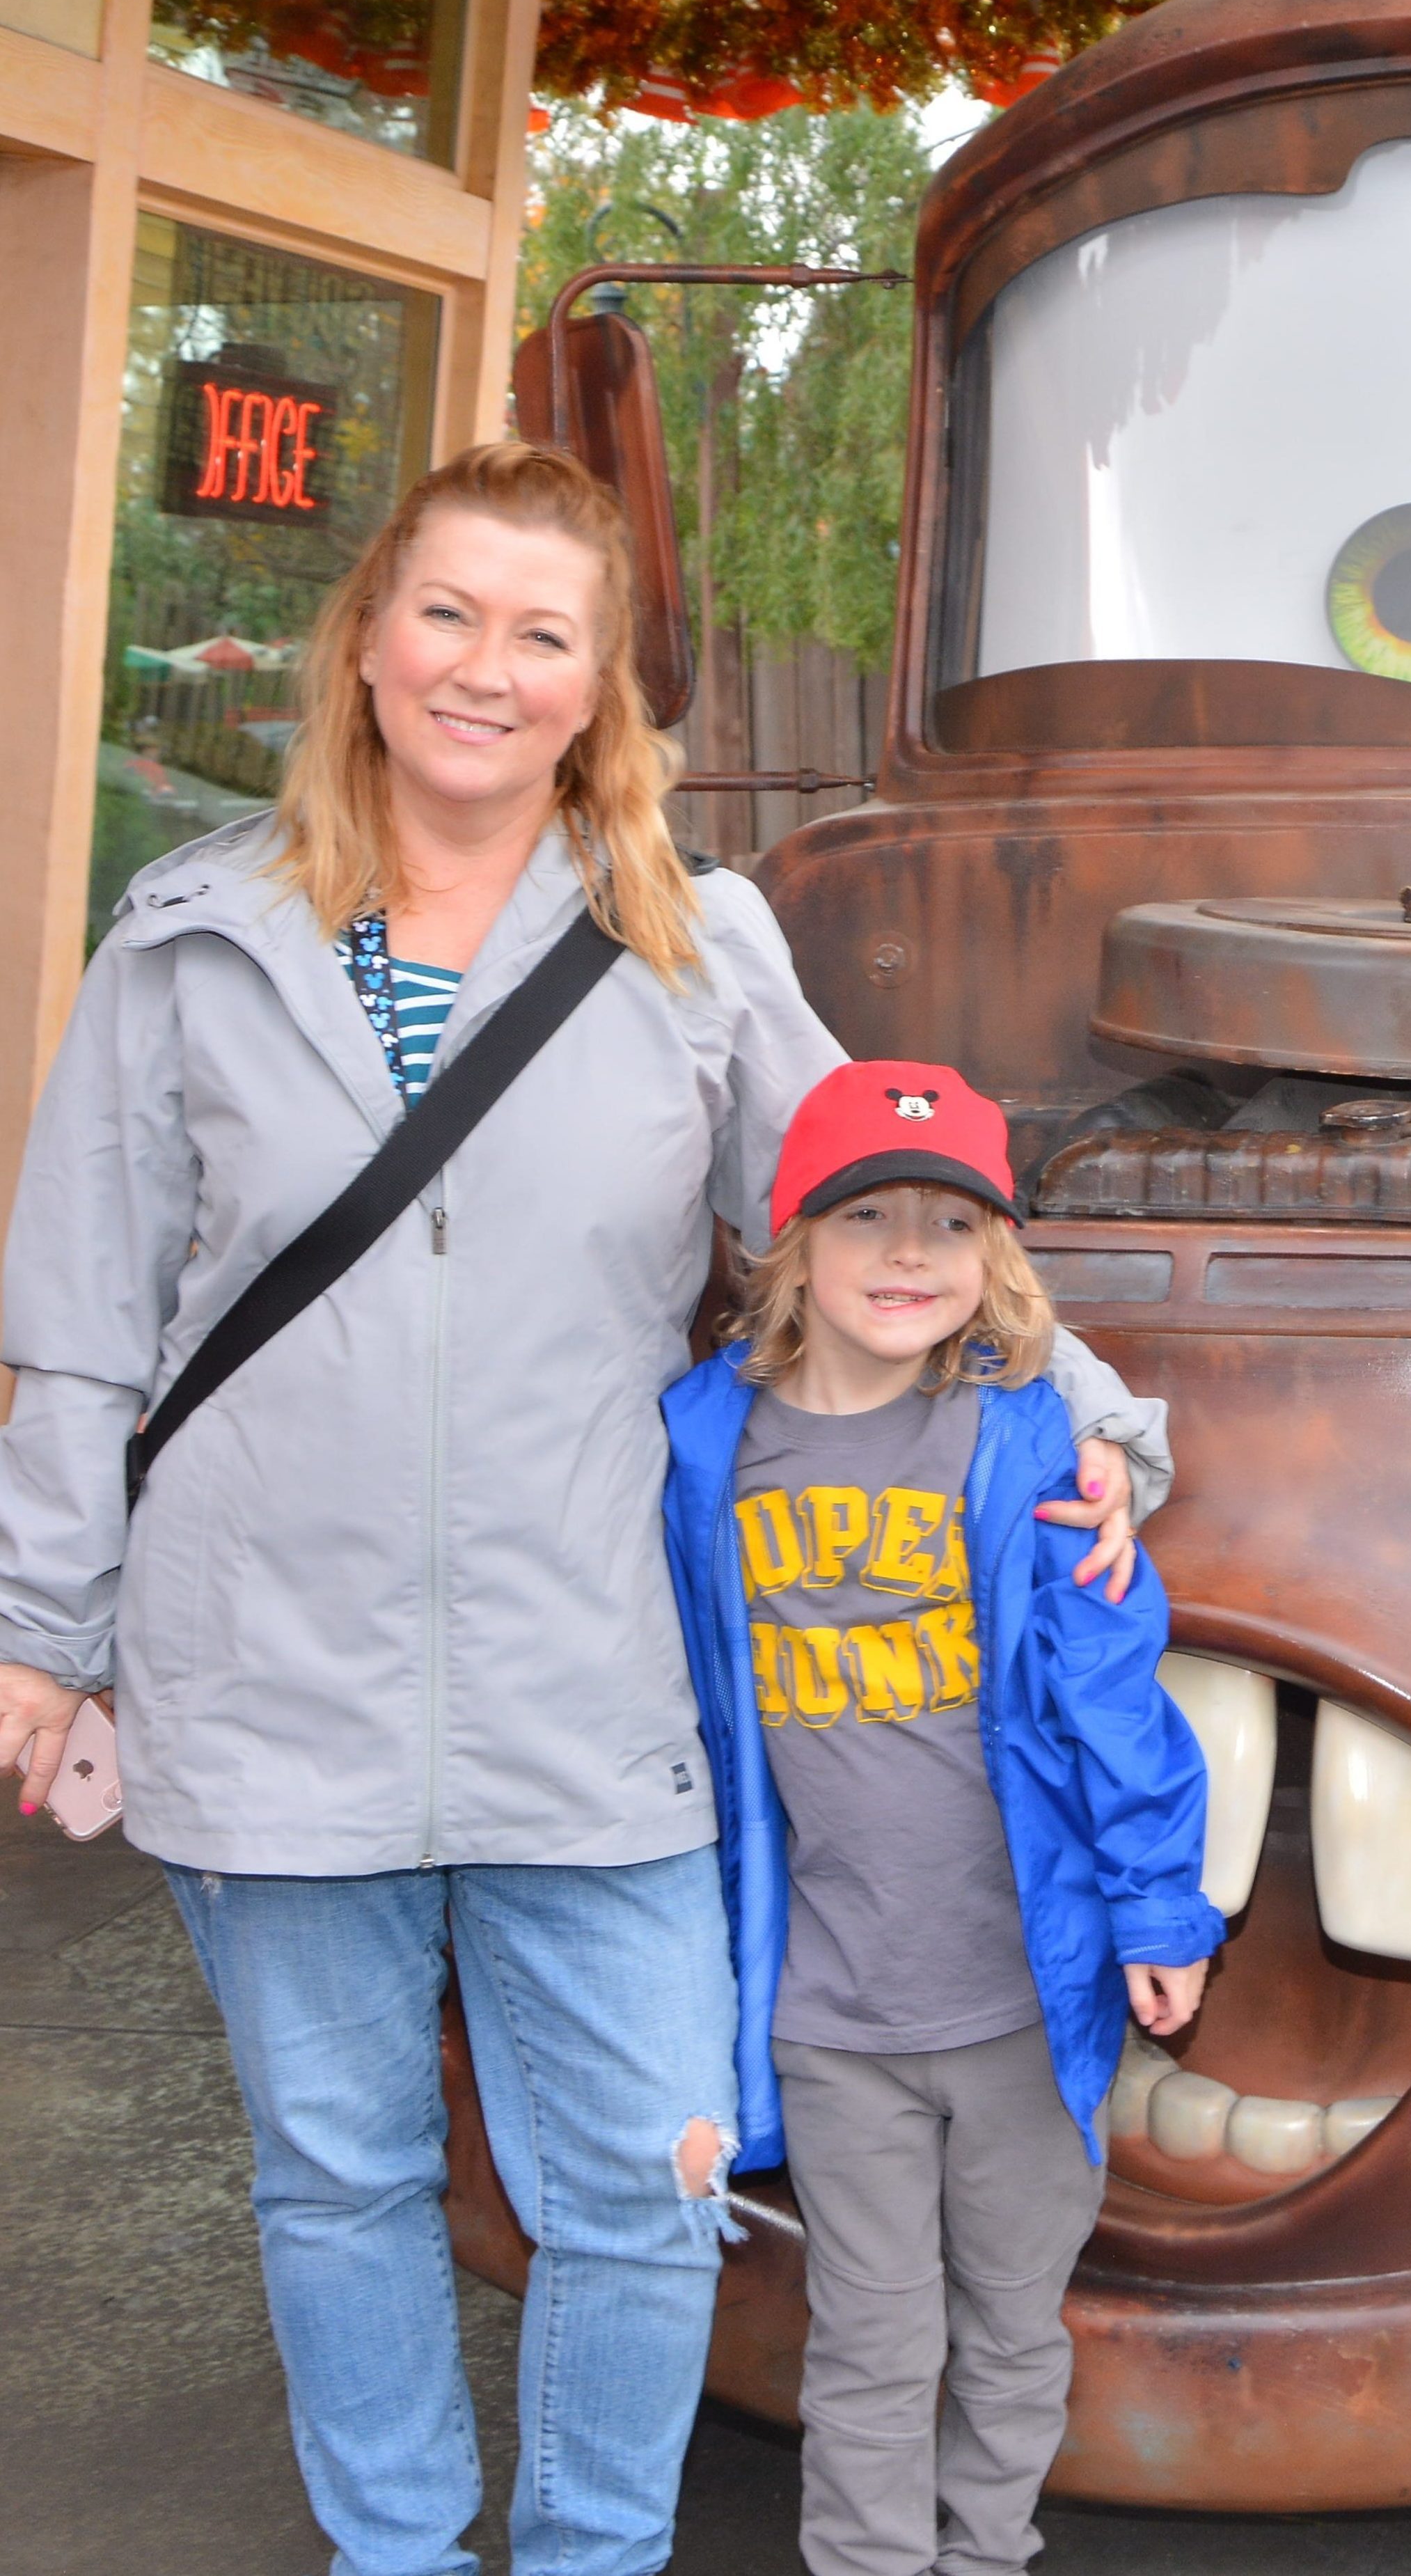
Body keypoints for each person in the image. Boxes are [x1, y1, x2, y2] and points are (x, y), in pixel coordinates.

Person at [0, 441, 1172, 2576]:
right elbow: (83, 1334)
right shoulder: (183, 949)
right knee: (336, 2176)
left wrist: (1096, 1425)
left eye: (543, 634)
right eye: (447, 613)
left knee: (646, 2173)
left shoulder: (687, 947)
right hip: (263, 1670)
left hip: (591, 1679)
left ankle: (591, 2553)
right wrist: (38, 1624)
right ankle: (393, 2552)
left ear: (595, 686)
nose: (484, 668)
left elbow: (875, 1220)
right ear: (366, 639)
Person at [661, 1057, 1220, 2576]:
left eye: (951, 1225)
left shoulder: (1032, 1444)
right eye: (868, 1218)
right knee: (868, 2337)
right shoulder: (704, 1444)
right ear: (790, 1241)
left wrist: (1159, 1908)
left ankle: (987, 2553)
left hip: (1020, 2002)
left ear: (997, 1260)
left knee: (1012, 2323)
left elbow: (1114, 1691)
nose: (911, 1256)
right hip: (828, 2011)